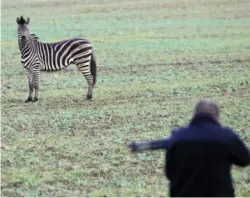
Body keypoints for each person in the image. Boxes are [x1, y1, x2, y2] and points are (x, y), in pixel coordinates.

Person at [128, 99, 250, 197]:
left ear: (194, 115)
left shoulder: (178, 136)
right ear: (217, 118)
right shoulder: (226, 136)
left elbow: (170, 173)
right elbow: (245, 160)